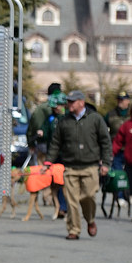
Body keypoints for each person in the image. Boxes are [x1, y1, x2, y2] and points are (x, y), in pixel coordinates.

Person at [47, 90, 112, 240]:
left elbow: (105, 142)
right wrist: (48, 161)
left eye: (72, 101)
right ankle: (74, 229)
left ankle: (90, 219)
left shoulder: (95, 119)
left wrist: (106, 163)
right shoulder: (64, 121)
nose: (68, 104)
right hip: (70, 167)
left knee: (88, 196)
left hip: (90, 166)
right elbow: (56, 143)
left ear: (81, 102)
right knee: (72, 201)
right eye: (68, 101)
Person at [104, 91, 132, 204]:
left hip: (130, 148)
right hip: (116, 148)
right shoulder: (111, 114)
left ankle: (129, 194)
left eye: (123, 100)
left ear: (128, 101)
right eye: (119, 99)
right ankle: (119, 196)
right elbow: (103, 129)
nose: (121, 102)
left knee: (130, 173)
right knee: (118, 173)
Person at [27, 82, 63, 165]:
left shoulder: (39, 108)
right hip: (51, 145)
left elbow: (31, 127)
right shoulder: (57, 109)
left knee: (42, 169)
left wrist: (31, 143)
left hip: (40, 144)